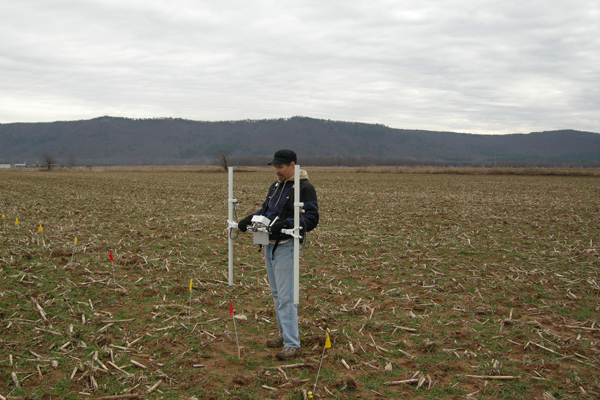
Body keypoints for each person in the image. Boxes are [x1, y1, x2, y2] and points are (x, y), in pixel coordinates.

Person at [237, 149, 319, 360]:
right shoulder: (275, 187)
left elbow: (311, 218)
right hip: (269, 244)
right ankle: (283, 335)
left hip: (287, 246)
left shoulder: (305, 188)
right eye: (274, 167)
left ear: (292, 165)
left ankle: (292, 343)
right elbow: (265, 211)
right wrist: (249, 219)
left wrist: (287, 225)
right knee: (276, 294)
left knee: (286, 297)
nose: (277, 171)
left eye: (280, 167)